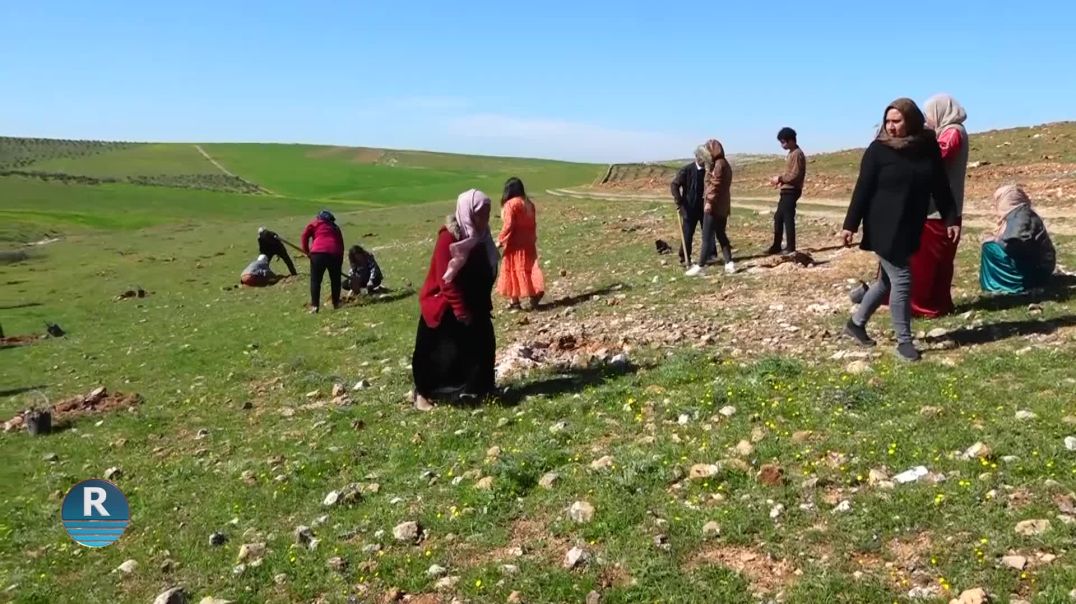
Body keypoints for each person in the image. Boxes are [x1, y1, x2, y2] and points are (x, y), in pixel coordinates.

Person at [840, 98, 959, 362]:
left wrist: (951, 218)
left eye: (897, 121)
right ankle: (904, 341)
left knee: (885, 282)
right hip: (882, 224)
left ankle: (856, 324)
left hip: (910, 223)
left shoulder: (926, 147)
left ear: (912, 121)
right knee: (902, 279)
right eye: (888, 121)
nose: (891, 127)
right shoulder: (877, 150)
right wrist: (850, 225)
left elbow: (940, 185)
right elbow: (863, 189)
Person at [411, 189, 499, 411]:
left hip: (472, 304)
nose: (485, 219)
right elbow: (446, 281)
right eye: (480, 214)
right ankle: (423, 393)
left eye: (487, 214)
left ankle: (480, 388)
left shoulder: (481, 238)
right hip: (444, 306)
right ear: (467, 212)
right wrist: (461, 312)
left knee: (483, 344)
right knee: (436, 353)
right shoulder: (448, 238)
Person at [905, 94, 969, 316]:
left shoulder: (953, 132)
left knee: (929, 264)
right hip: (938, 209)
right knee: (933, 263)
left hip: (939, 211)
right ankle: (937, 304)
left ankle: (925, 307)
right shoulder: (948, 131)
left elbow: (938, 155)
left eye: (930, 114)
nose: (927, 119)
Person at [980, 185, 1056, 294]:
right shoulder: (1019, 213)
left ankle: (1007, 284)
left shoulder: (1020, 216)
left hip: (1035, 271)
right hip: (1039, 266)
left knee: (989, 248)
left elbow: (1016, 243)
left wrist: (995, 241)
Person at [496, 177, 546, 308]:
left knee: (511, 270)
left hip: (514, 243)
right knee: (528, 268)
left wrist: (500, 240)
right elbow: (533, 224)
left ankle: (515, 302)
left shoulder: (511, 204)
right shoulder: (529, 204)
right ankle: (535, 293)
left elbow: (509, 224)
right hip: (528, 242)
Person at [767, 127, 806, 255]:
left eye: (783, 142)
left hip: (792, 191)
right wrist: (781, 182)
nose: (782, 145)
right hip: (787, 190)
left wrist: (779, 178)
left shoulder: (797, 154)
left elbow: (794, 175)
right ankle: (777, 245)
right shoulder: (791, 153)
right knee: (779, 217)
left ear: (791, 140)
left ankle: (790, 247)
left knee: (787, 218)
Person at [670, 147, 708, 274]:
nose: (704, 161)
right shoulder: (686, 170)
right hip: (689, 207)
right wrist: (679, 201)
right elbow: (674, 185)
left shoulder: (708, 171)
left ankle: (710, 255)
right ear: (697, 157)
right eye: (702, 158)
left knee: (707, 232)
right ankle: (684, 258)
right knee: (687, 234)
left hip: (704, 207)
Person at [300, 210, 345, 313]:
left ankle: (315, 306)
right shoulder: (335, 227)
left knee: (315, 281)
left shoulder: (315, 223)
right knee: (335, 280)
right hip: (335, 254)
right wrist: (340, 260)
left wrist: (306, 251)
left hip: (318, 254)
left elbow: (304, 236)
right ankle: (336, 303)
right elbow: (341, 244)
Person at [702, 138, 736, 274]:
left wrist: (709, 201)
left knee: (707, 236)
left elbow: (715, 185)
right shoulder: (722, 163)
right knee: (721, 234)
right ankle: (729, 262)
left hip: (714, 205)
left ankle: (700, 265)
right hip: (721, 204)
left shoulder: (719, 165)